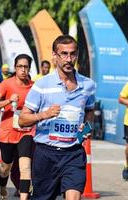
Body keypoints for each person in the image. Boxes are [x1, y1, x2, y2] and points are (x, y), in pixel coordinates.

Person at [18, 35, 95, 200]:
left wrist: (87, 128)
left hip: (73, 153)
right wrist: (44, 114)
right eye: (64, 54)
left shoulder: (88, 85)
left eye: (72, 54)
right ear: (54, 56)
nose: (69, 59)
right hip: (46, 153)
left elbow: (90, 110)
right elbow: (22, 119)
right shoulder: (42, 85)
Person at [0, 54, 35, 200]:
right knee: (5, 167)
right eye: (19, 66)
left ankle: (24, 197)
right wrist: (9, 100)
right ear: (15, 68)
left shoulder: (34, 87)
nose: (23, 70)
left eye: (25, 66)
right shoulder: (6, 84)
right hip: (8, 132)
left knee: (25, 167)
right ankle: (3, 188)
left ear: (29, 68)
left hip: (27, 131)